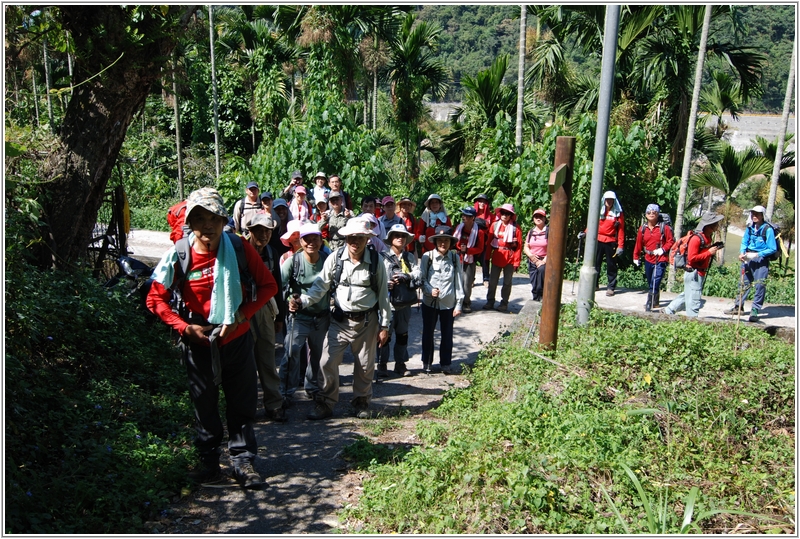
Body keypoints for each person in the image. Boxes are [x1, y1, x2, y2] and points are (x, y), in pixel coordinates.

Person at [146, 187, 278, 488]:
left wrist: (241, 316)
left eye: (213, 218)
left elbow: (268, 286)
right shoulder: (179, 254)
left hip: (237, 336)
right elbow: (155, 299)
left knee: (242, 403)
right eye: (199, 218)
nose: (207, 226)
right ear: (190, 223)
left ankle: (243, 463)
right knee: (204, 404)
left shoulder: (240, 248)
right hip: (197, 340)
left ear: (223, 221)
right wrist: (182, 327)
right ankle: (208, 464)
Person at [289, 217, 391, 420]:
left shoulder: (376, 261)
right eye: (351, 237)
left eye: (360, 237)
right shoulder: (334, 259)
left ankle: (361, 402)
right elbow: (320, 287)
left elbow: (383, 295)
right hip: (340, 321)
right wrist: (303, 301)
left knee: (364, 365)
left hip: (367, 322)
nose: (355, 241)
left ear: (367, 239)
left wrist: (385, 325)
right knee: (327, 361)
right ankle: (326, 403)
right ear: (345, 238)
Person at [279, 224, 330, 406]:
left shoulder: (327, 260)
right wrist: (288, 301)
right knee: (291, 352)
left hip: (321, 317)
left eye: (315, 238)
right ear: (300, 241)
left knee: (317, 355)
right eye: (307, 239)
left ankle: (313, 388)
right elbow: (279, 287)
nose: (311, 243)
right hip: (298, 317)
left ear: (320, 240)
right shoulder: (292, 262)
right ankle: (285, 392)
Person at [243, 213, 287, 423]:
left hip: (265, 308)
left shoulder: (271, 252)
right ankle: (247, 407)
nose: (264, 234)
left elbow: (276, 284)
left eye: (268, 231)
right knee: (245, 361)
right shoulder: (239, 251)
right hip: (242, 309)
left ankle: (274, 404)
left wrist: (280, 317)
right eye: (259, 230)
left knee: (267, 357)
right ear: (249, 231)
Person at [377, 224, 422, 377]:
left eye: (403, 236)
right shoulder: (382, 257)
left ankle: (400, 363)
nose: (400, 238)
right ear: (390, 239)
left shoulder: (409, 257)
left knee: (403, 335)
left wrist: (407, 276)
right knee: (384, 335)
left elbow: (419, 275)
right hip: (387, 304)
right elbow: (376, 279)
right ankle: (382, 364)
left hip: (405, 304)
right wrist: (386, 284)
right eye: (396, 235)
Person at [420, 226, 464, 374]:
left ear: (450, 242)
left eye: (446, 240)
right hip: (429, 302)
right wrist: (428, 290)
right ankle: (426, 362)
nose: (443, 243)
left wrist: (459, 304)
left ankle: (445, 363)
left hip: (448, 304)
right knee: (428, 333)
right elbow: (422, 278)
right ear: (435, 241)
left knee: (447, 334)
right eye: (440, 240)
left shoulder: (454, 258)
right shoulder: (427, 257)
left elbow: (458, 281)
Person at [662, 212, 723, 317]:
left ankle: (668, 311)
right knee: (694, 300)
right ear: (709, 226)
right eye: (715, 223)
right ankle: (692, 321)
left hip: (699, 272)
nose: (717, 225)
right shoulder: (696, 239)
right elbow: (692, 258)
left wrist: (712, 247)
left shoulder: (707, 237)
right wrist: (709, 252)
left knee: (687, 295)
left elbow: (701, 252)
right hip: (694, 272)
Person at [724, 205, 778, 323]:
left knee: (760, 285)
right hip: (748, 258)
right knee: (743, 283)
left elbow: (772, 248)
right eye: (753, 214)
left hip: (761, 259)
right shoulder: (750, 228)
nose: (754, 216)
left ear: (762, 215)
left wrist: (758, 255)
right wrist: (742, 253)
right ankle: (738, 306)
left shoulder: (767, 229)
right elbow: (744, 241)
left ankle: (755, 310)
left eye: (757, 214)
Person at [580, 191, 625, 296]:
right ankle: (594, 284)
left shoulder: (618, 213)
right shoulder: (598, 210)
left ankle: (611, 287)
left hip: (611, 241)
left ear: (614, 201)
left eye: (611, 200)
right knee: (595, 263)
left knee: (611, 265)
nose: (609, 202)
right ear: (604, 200)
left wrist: (620, 246)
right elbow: (592, 224)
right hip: (598, 240)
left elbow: (621, 230)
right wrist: (585, 233)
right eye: (607, 199)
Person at [632, 204, 675, 311]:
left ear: (657, 214)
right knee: (651, 280)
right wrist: (636, 256)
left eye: (654, 212)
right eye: (649, 212)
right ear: (646, 215)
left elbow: (671, 241)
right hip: (648, 258)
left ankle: (649, 303)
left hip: (660, 259)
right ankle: (655, 301)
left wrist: (663, 250)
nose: (651, 214)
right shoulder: (643, 229)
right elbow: (638, 243)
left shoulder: (664, 228)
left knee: (655, 280)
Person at [483, 203, 522, 312]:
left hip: (509, 257)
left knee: (507, 282)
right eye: (503, 213)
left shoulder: (516, 228)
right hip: (497, 255)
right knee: (493, 281)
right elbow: (489, 242)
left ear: (511, 215)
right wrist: (486, 258)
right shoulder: (494, 225)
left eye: (507, 213)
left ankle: (504, 303)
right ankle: (490, 301)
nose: (504, 215)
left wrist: (516, 262)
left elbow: (518, 247)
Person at [454, 207, 485, 313]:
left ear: (472, 218)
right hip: (458, 257)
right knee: (457, 280)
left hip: (470, 260)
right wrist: (459, 248)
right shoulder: (459, 227)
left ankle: (466, 302)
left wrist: (468, 250)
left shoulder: (479, 232)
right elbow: (454, 241)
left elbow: (480, 248)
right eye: (463, 215)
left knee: (467, 282)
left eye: (467, 216)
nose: (464, 217)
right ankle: (456, 301)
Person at [523, 208, 549, 302]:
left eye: (540, 216)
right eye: (536, 216)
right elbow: (526, 246)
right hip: (532, 260)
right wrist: (532, 256)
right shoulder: (531, 232)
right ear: (533, 219)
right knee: (534, 283)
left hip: (544, 261)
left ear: (545, 218)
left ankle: (541, 298)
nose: (538, 218)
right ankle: (535, 300)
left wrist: (543, 261)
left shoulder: (549, 232)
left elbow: (552, 249)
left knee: (540, 283)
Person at [473, 193, 494, 286]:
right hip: (473, 241)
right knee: (472, 260)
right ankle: (471, 279)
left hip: (485, 241)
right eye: (480, 201)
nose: (482, 203)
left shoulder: (491, 216)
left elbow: (493, 229)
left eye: (484, 202)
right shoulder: (472, 214)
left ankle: (486, 278)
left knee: (485, 260)